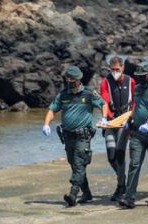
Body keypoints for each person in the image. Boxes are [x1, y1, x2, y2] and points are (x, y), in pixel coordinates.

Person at [42, 66, 104, 207]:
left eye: (72, 79)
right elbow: (52, 110)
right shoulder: (63, 95)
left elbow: (102, 104)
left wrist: (104, 118)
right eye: (68, 79)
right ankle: (87, 193)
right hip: (68, 136)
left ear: (78, 79)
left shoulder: (89, 94)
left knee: (79, 163)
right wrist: (46, 124)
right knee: (75, 164)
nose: (70, 81)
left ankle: (73, 193)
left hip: (83, 136)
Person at [119, 62, 148, 209]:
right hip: (137, 134)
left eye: (142, 76)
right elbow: (136, 105)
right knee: (134, 164)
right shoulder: (138, 88)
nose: (139, 79)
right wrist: (129, 120)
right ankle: (129, 198)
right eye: (137, 76)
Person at [99, 56, 136, 201]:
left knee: (120, 154)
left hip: (125, 122)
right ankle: (122, 177)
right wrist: (105, 117)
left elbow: (134, 102)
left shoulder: (130, 81)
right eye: (112, 70)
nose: (115, 72)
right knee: (111, 155)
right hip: (110, 122)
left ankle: (121, 186)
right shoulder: (105, 82)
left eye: (117, 69)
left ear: (123, 68)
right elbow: (104, 101)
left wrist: (132, 119)